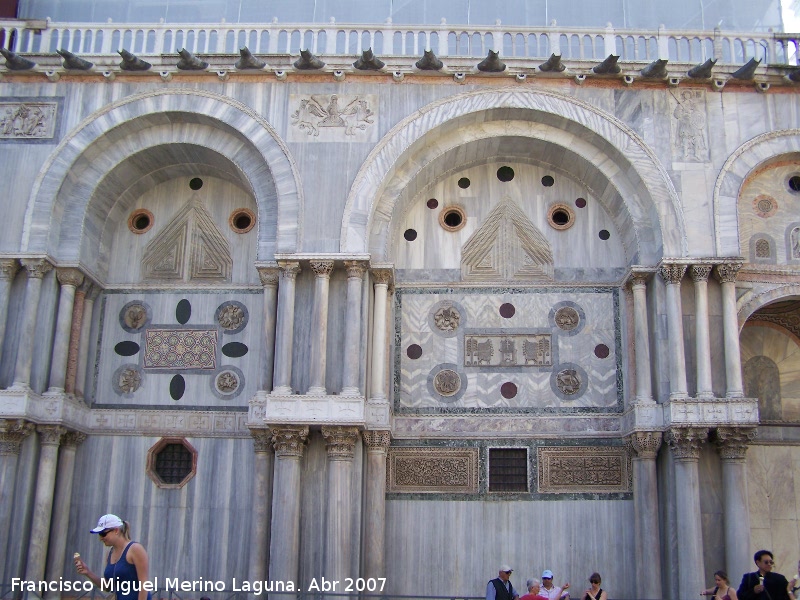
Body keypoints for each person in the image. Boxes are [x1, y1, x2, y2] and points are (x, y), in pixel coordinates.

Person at [75, 514, 151, 600]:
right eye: (99, 535)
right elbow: (108, 587)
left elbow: (144, 585)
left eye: (103, 534)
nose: (101, 538)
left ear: (116, 530)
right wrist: (87, 572)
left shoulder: (135, 549)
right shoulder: (110, 553)